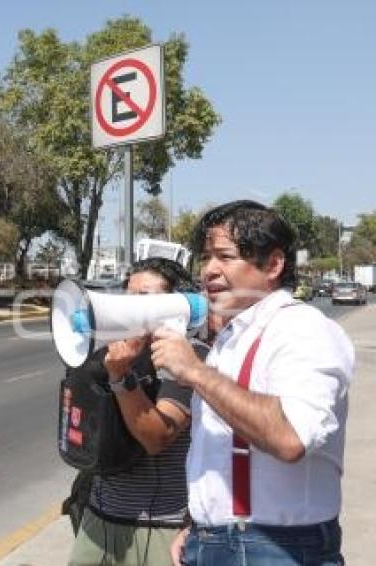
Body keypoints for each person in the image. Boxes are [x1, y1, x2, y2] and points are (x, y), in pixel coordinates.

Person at [150, 200, 354, 565]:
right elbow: (218, 450)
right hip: (218, 541)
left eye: (225, 257)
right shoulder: (234, 336)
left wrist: (195, 372)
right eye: (205, 257)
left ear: (273, 264)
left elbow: (290, 437)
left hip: (277, 548)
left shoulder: (303, 330)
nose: (209, 270)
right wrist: (200, 525)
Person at [67, 258, 208, 566]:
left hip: (158, 529)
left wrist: (120, 378)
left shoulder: (191, 357)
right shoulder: (110, 351)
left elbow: (158, 437)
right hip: (99, 515)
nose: (131, 305)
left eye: (144, 297)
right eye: (128, 295)